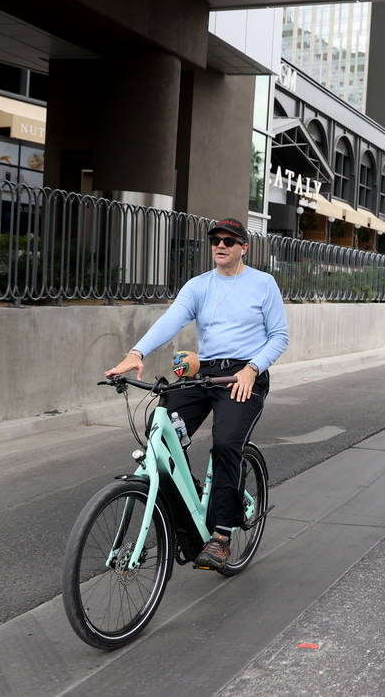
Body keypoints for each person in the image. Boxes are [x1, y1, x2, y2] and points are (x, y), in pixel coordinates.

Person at [105, 217, 288, 570]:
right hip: (205, 373)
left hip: (244, 374)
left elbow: (279, 336)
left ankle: (221, 535)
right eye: (216, 240)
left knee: (225, 444)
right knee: (163, 432)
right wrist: (136, 353)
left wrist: (252, 368)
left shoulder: (263, 284)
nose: (221, 245)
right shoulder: (199, 286)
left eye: (230, 241)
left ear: (243, 247)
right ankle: (190, 515)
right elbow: (171, 320)